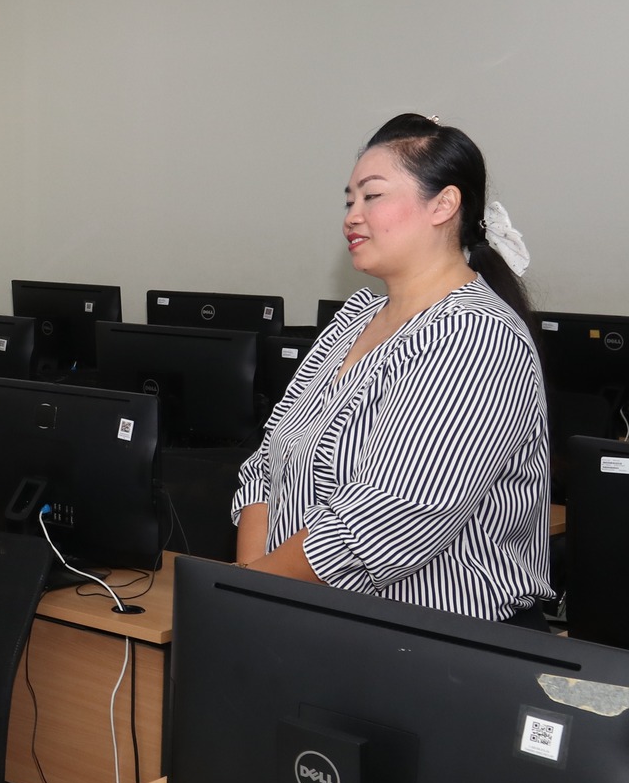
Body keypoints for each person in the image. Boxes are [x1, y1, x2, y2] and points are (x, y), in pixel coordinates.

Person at [234, 114, 552, 622]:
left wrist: (247, 590)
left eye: (372, 196)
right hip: (304, 615)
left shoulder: (476, 335)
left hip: (435, 643)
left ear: (443, 205)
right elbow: (266, 464)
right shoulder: (355, 317)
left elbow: (387, 521)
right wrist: (248, 584)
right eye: (349, 201)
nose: (352, 217)